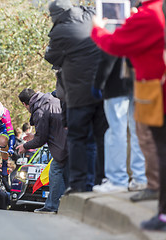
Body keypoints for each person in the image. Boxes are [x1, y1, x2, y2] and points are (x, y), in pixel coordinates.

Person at [91, 0, 165, 230]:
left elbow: (113, 46)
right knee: (143, 136)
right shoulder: (157, 11)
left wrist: (97, 28)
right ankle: (145, 183)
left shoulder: (147, 16)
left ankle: (122, 180)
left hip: (149, 87)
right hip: (143, 88)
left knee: (146, 141)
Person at [44, 0, 108, 193]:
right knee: (99, 138)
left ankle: (79, 184)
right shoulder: (90, 15)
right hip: (104, 88)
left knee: (78, 138)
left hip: (78, 94)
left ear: (56, 15)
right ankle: (99, 181)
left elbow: (51, 57)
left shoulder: (60, 32)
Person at [91, 52, 146, 193]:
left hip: (116, 82)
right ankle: (140, 178)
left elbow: (108, 53)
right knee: (137, 131)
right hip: (140, 79)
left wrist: (98, 83)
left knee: (116, 131)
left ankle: (117, 180)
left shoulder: (113, 28)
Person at [17, 89, 68, 213]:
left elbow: (41, 140)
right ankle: (57, 205)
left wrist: (25, 146)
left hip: (64, 146)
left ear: (25, 104)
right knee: (62, 173)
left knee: (55, 171)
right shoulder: (50, 100)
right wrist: (34, 136)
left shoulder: (39, 110)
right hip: (70, 142)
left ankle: (52, 206)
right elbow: (49, 131)